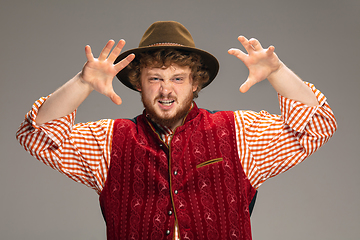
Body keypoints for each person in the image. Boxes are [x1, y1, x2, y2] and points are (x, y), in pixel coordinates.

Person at [16, 21, 337, 240]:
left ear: (195, 83)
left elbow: (317, 124)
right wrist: (82, 83)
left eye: (178, 78)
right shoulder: (108, 141)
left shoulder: (240, 133)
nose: (166, 90)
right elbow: (37, 135)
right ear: (138, 84)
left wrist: (278, 73)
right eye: (155, 78)